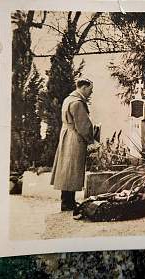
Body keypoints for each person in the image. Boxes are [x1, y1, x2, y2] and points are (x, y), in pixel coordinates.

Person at [50, 78, 94, 211]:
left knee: (67, 169)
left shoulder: (68, 99)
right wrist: (91, 139)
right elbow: (83, 125)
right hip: (75, 137)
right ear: (84, 88)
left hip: (66, 135)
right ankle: (68, 203)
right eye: (90, 90)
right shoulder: (77, 102)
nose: (91, 93)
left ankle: (67, 201)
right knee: (73, 168)